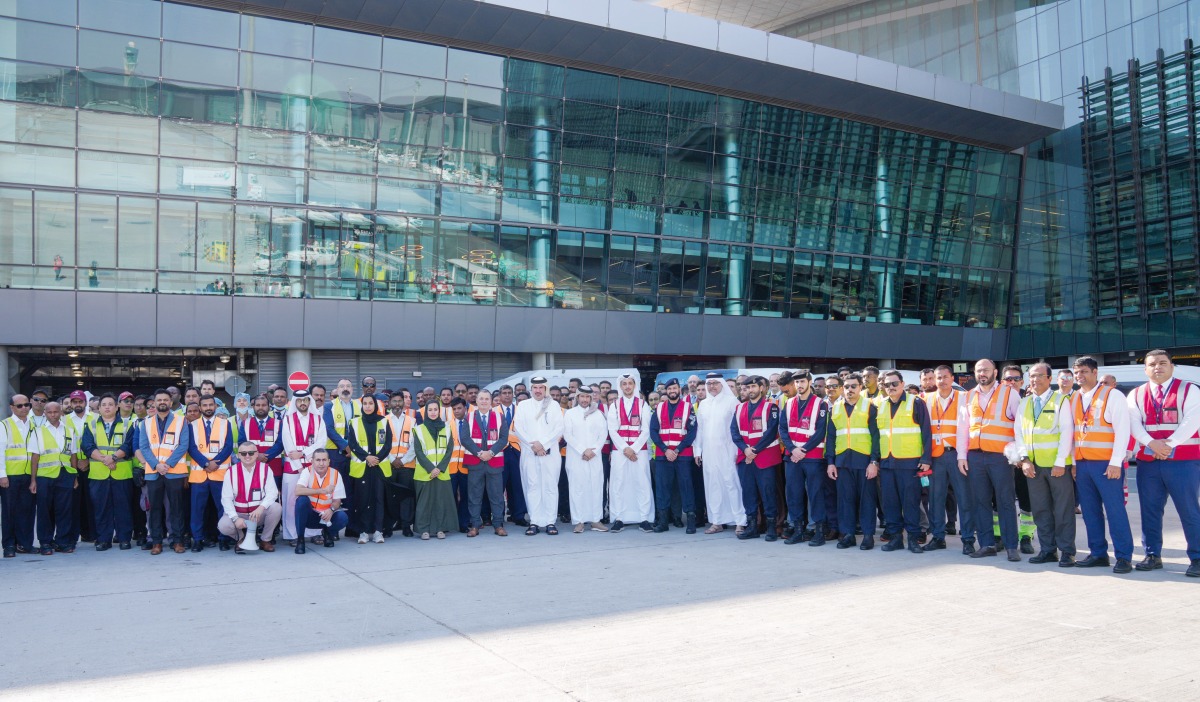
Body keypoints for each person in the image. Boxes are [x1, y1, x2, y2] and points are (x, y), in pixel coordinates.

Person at [1127, 349, 1200, 577]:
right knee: (1150, 510)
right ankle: (1152, 555)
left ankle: (1197, 557)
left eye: (1162, 363)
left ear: (1171, 366)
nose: (1157, 367)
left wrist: (1169, 444)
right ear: (1145, 369)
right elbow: (1133, 423)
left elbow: (1193, 419)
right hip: (1149, 462)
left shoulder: (1189, 389)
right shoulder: (1136, 394)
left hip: (1183, 461)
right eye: (1152, 364)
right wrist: (1152, 443)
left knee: (1188, 510)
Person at [1071, 356, 1135, 574]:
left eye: (1084, 372)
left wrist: (1116, 462)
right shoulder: (1074, 398)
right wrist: (1072, 462)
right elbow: (1073, 433)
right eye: (1076, 372)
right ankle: (1098, 553)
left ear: (1095, 372)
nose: (1079, 376)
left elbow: (1122, 430)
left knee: (1115, 511)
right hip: (1082, 464)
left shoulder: (1112, 395)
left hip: (1106, 464)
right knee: (1090, 512)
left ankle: (1124, 557)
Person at [1013, 363, 1077, 567]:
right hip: (1033, 467)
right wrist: (1024, 460)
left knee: (1063, 510)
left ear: (1050, 379)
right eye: (1032, 376)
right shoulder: (1025, 402)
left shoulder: (1061, 400)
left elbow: (1067, 432)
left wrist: (1060, 462)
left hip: (1057, 467)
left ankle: (1067, 551)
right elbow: (1019, 433)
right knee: (1040, 510)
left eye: (1040, 376)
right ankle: (1048, 550)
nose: (1035, 380)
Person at [960, 359, 1023, 562]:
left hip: (1000, 457)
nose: (982, 373)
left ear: (995, 372)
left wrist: (1018, 454)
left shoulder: (1009, 393)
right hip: (976, 456)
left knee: (1005, 502)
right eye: (979, 370)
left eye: (986, 370)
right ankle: (987, 544)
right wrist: (962, 455)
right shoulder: (968, 396)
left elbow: (1019, 426)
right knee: (980, 502)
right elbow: (963, 429)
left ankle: (1011, 545)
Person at [875, 370, 932, 554]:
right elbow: (877, 436)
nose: (890, 387)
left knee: (911, 503)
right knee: (890, 503)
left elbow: (926, 432)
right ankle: (896, 538)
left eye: (894, 384)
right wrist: (876, 460)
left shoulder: (916, 403)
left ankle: (914, 539)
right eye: (886, 384)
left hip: (910, 463)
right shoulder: (881, 405)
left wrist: (926, 459)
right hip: (887, 462)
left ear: (902, 383)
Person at [826, 373, 880, 549]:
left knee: (867, 500)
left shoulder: (870, 406)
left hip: (864, 460)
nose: (850, 390)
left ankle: (868, 536)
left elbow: (876, 436)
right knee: (845, 500)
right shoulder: (835, 408)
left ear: (860, 388)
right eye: (847, 386)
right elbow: (831, 437)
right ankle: (848, 534)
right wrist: (830, 462)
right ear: (842, 388)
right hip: (842, 461)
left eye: (853, 386)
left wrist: (874, 461)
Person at [924, 365, 973, 554]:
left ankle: (968, 538)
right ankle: (937, 537)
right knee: (936, 498)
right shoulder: (926, 399)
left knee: (964, 498)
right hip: (936, 456)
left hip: (958, 454)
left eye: (945, 377)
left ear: (952, 378)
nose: (942, 381)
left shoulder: (965, 397)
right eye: (938, 377)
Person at [780, 370, 829, 546]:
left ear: (809, 382)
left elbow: (821, 431)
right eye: (796, 382)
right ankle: (798, 530)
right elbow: (783, 429)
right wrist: (793, 449)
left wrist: (803, 450)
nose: (799, 385)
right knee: (794, 494)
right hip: (793, 457)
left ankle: (818, 531)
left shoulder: (820, 404)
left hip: (813, 457)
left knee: (815, 494)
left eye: (802, 381)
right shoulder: (789, 403)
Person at [139, 389, 191, 555]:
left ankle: (177, 541)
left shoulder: (181, 421)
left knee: (176, 508)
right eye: (159, 400)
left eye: (165, 400)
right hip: (154, 472)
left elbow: (184, 445)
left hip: (174, 471)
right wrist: (157, 465)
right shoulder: (145, 423)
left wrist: (167, 464)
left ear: (170, 402)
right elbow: (144, 447)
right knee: (154, 508)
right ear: (154, 403)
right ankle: (156, 542)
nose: (162, 402)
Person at [82, 395, 136, 551]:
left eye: (110, 404)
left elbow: (129, 445)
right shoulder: (91, 425)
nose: (107, 407)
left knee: (123, 508)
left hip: (122, 473)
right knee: (101, 508)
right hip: (99, 474)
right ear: (98, 408)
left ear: (117, 407)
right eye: (103, 405)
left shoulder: (128, 424)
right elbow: (87, 446)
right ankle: (103, 539)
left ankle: (124, 538)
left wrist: (112, 458)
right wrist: (105, 460)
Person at [732, 376, 781, 541]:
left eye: (753, 387)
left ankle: (772, 527)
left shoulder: (771, 408)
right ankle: (752, 526)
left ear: (761, 388)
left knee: (768, 493)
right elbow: (734, 433)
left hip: (765, 458)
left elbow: (771, 432)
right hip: (745, 458)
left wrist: (754, 450)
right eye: (747, 388)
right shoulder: (739, 408)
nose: (749, 390)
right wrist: (746, 450)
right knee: (748, 493)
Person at [514, 377, 566, 535]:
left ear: (546, 389)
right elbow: (518, 427)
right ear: (531, 389)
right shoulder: (523, 405)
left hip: (550, 453)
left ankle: (550, 522)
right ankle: (534, 521)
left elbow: (559, 428)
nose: (538, 390)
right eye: (535, 387)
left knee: (550, 487)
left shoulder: (554, 405)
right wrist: (534, 446)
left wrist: (543, 444)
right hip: (530, 453)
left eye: (541, 387)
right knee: (533, 487)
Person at [696, 373, 746, 534]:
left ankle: (740, 521)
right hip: (709, 452)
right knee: (713, 486)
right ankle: (716, 521)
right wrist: (697, 450)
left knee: (732, 484)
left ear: (722, 384)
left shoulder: (732, 402)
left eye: (715, 383)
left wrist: (738, 450)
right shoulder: (703, 404)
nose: (712, 387)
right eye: (709, 384)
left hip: (728, 450)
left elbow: (739, 429)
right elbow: (699, 429)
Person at [607, 374, 654, 534]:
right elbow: (612, 429)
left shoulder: (642, 405)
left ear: (635, 385)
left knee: (642, 482)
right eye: (624, 384)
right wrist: (625, 449)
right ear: (620, 386)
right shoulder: (614, 405)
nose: (627, 386)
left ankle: (644, 518)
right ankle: (619, 518)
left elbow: (646, 429)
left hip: (638, 451)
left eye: (630, 383)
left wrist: (633, 448)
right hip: (620, 451)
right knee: (618, 483)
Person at [649, 379, 698, 533]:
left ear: (678, 389)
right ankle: (663, 522)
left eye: (674, 388)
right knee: (662, 488)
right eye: (669, 388)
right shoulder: (659, 408)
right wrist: (665, 449)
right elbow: (653, 431)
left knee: (686, 487)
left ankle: (691, 521)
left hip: (682, 455)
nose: (672, 390)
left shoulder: (688, 407)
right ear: (666, 391)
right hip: (663, 456)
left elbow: (692, 432)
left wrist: (676, 450)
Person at [186, 394, 233, 553]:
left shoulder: (225, 423)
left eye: (210, 405)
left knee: (223, 508)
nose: (207, 408)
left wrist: (215, 463)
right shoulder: (192, 425)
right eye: (204, 405)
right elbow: (191, 448)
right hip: (199, 475)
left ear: (215, 406)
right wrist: (206, 463)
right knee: (197, 510)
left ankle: (223, 538)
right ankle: (197, 540)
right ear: (200, 407)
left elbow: (228, 447)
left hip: (220, 474)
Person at [459, 389, 509, 537]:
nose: (484, 401)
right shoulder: (469, 416)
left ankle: (498, 525)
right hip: (476, 462)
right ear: (477, 400)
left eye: (487, 399)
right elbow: (465, 438)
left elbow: (503, 438)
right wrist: (480, 453)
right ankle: (474, 525)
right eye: (481, 399)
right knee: (474, 496)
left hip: (494, 462)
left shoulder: (500, 417)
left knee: (497, 497)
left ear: (491, 401)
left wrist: (491, 453)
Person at [32, 400, 79, 555]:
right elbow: (35, 457)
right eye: (49, 412)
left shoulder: (69, 431)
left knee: (64, 510)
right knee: (45, 511)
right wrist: (33, 480)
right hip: (45, 476)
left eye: (56, 412)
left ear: (61, 412)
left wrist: (75, 476)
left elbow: (73, 455)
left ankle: (62, 541)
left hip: (65, 474)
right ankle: (45, 542)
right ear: (44, 413)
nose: (53, 415)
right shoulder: (38, 431)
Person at [217, 442, 281, 553]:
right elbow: (226, 499)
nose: (247, 456)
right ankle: (241, 539)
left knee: (276, 508)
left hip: (258, 514)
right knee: (223, 525)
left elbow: (272, 493)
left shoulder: (266, 469)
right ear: (238, 455)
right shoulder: (231, 472)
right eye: (243, 453)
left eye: (251, 453)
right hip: (239, 514)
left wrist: (261, 508)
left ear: (257, 454)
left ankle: (265, 540)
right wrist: (235, 518)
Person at [281, 390, 326, 545]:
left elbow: (321, 442)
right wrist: (299, 465)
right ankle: (292, 534)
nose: (302, 403)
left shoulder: (318, 418)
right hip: (292, 466)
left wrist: (303, 454)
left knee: (314, 499)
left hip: (312, 464)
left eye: (305, 400)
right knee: (291, 500)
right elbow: (287, 444)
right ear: (295, 402)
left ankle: (314, 532)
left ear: (309, 402)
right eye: (299, 400)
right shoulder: (287, 419)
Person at [347, 394, 392, 543]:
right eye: (365, 403)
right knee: (363, 499)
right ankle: (364, 532)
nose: (367, 406)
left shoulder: (384, 422)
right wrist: (367, 457)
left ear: (375, 405)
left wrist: (376, 459)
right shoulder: (354, 422)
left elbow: (387, 444)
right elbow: (353, 444)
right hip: (363, 467)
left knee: (379, 499)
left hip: (379, 467)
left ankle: (378, 531)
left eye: (370, 403)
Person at [564, 386, 609, 533]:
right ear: (577, 397)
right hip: (576, 456)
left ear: (591, 398)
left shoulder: (598, 414)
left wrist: (593, 450)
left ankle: (596, 520)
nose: (584, 400)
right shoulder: (570, 414)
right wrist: (583, 450)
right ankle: (579, 521)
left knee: (595, 487)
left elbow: (603, 434)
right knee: (577, 489)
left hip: (594, 457)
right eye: (582, 397)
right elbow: (567, 435)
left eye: (587, 397)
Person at [411, 400, 458, 540]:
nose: (432, 412)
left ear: (439, 411)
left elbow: (449, 450)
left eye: (435, 409)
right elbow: (418, 451)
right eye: (429, 409)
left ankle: (440, 529)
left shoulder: (447, 428)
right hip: (424, 473)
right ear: (425, 412)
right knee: (424, 503)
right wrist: (431, 468)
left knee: (440, 502)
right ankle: (424, 529)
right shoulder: (419, 429)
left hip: (442, 473)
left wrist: (440, 468)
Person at [292, 449, 347, 554]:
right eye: (318, 460)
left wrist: (331, 510)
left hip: (326, 516)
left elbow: (337, 500)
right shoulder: (307, 471)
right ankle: (300, 539)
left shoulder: (335, 474)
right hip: (310, 515)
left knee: (343, 517)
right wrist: (321, 491)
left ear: (329, 461)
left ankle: (327, 533)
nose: (321, 463)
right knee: (301, 500)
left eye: (324, 460)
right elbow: (297, 490)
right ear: (312, 461)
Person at [384, 391, 418, 537]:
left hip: (407, 465)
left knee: (407, 497)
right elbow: (381, 444)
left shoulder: (412, 421)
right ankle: (388, 526)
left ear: (404, 403)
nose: (397, 404)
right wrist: (393, 460)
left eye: (400, 401)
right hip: (388, 464)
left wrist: (402, 461)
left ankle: (406, 526)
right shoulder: (383, 421)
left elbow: (415, 445)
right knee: (389, 497)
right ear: (390, 403)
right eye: (394, 401)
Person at [496, 384, 527, 527]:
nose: (507, 395)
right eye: (504, 393)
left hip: (517, 450)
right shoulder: (494, 411)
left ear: (513, 394)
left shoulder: (521, 410)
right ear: (500, 395)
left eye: (509, 393)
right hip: (500, 451)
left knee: (517, 484)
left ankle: (518, 515)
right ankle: (498, 516)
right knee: (499, 485)